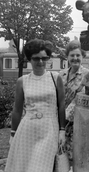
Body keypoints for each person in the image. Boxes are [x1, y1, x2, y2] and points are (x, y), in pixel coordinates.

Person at [5, 39, 66, 172]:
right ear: (29, 59)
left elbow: (61, 104)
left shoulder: (55, 78)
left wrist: (62, 130)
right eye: (36, 58)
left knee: (40, 168)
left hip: (49, 130)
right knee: (25, 166)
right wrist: (13, 133)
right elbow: (17, 110)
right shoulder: (22, 81)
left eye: (44, 58)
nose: (40, 62)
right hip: (27, 130)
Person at [59, 40, 89, 163]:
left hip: (77, 124)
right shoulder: (61, 75)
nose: (75, 58)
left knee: (75, 157)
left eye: (78, 55)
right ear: (67, 57)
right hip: (59, 122)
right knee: (60, 157)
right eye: (72, 55)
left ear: (82, 56)